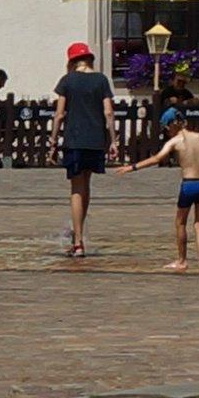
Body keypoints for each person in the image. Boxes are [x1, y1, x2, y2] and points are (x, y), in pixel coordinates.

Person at [52, 38, 116, 262]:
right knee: (86, 185)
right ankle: (79, 235)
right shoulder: (101, 80)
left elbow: (59, 114)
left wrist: (52, 141)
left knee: (76, 188)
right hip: (96, 139)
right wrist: (113, 140)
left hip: (75, 139)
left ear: (72, 61)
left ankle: (78, 241)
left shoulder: (67, 81)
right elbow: (108, 112)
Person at [141, 106, 199, 272]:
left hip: (189, 184)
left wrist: (133, 167)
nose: (166, 131)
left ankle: (182, 260)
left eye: (166, 128)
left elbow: (156, 158)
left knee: (180, 222)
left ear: (172, 125)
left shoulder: (175, 142)